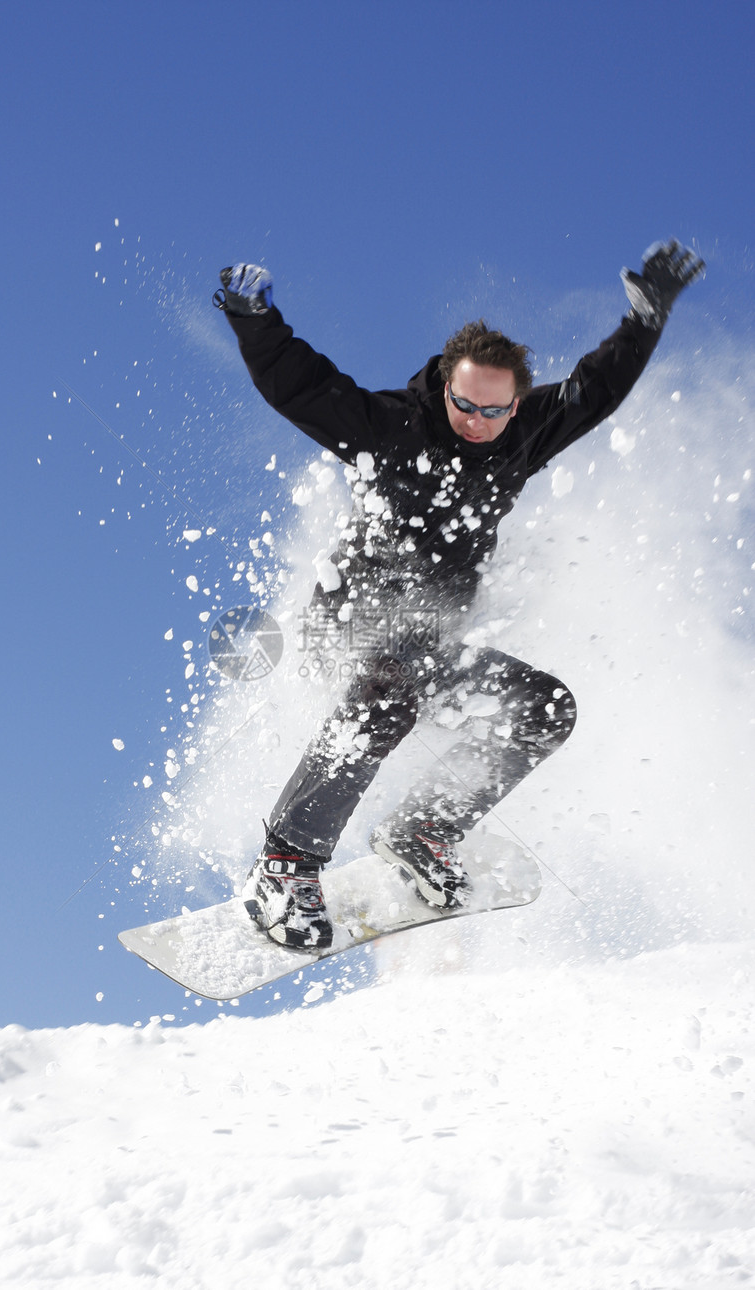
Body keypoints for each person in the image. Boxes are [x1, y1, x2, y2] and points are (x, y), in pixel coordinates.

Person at [213, 241, 704, 950]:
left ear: (516, 405)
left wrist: (647, 319)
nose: (475, 420)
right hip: (347, 624)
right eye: (463, 403)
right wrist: (251, 317)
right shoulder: (389, 428)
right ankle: (283, 867)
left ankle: (425, 827)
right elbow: (300, 384)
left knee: (544, 709)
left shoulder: (524, 437)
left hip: (424, 647)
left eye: (493, 411)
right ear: (444, 386)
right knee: (387, 695)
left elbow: (597, 390)